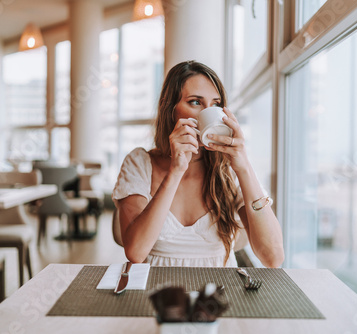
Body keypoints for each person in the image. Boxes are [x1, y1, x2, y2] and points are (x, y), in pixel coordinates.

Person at [112, 60, 284, 268]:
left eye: (216, 104)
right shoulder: (139, 162)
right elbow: (136, 252)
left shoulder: (229, 168)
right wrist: (176, 170)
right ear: (170, 108)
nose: (208, 112)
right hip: (158, 295)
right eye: (195, 102)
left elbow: (273, 257)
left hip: (218, 295)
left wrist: (243, 166)